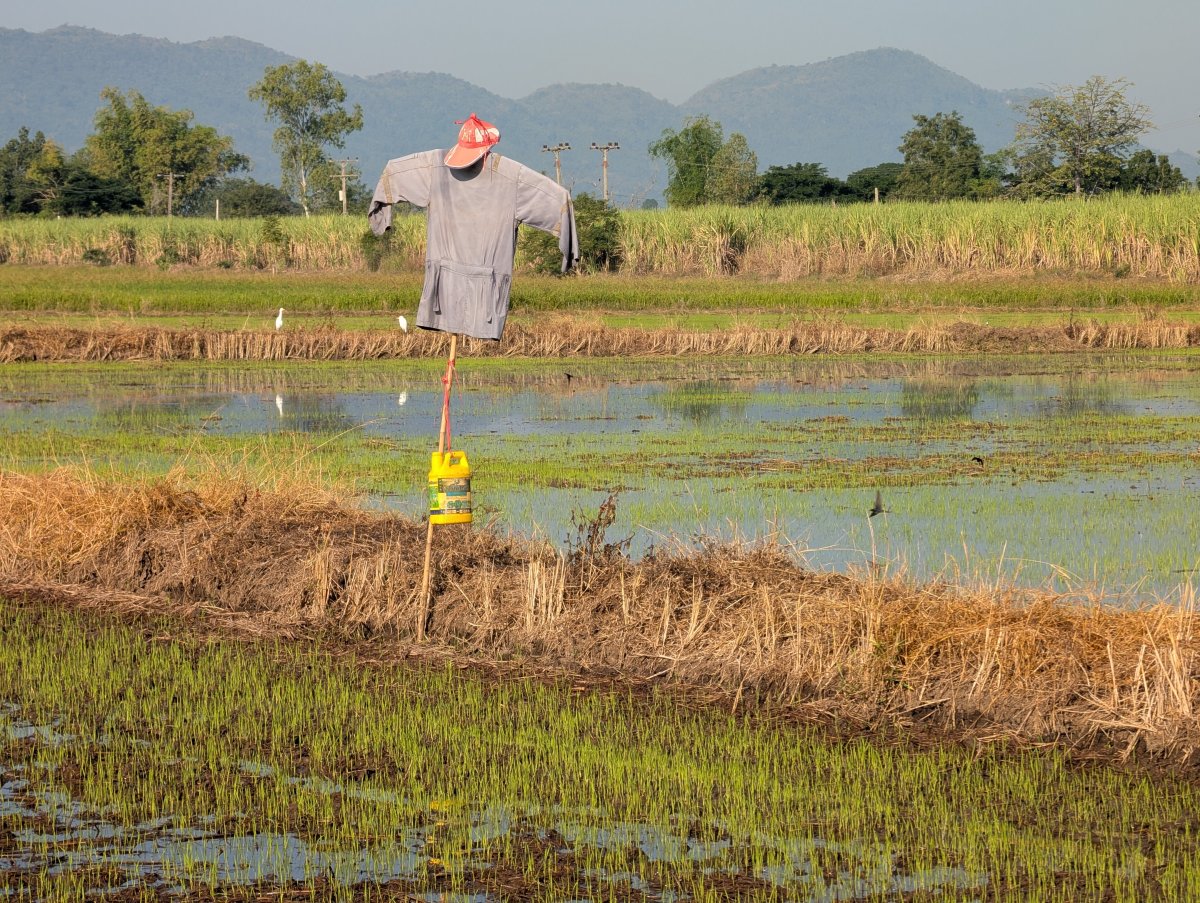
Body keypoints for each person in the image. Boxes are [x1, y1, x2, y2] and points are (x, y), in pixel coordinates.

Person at [368, 113, 579, 341]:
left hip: (462, 290)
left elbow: (393, 171)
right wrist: (570, 254)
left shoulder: (438, 167)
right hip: (470, 292)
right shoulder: (508, 176)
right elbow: (560, 200)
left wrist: (380, 218)